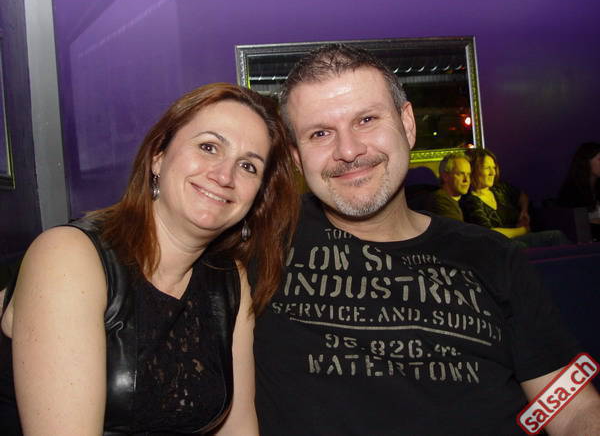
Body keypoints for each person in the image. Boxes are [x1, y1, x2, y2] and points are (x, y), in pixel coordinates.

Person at [253, 44, 600, 435]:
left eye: (366, 119)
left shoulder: (494, 255)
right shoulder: (259, 243)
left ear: (407, 124)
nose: (348, 151)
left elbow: (571, 407)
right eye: (320, 133)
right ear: (296, 157)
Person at [0, 83, 299, 435]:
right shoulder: (69, 257)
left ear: (258, 196)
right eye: (208, 147)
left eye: (248, 166)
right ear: (158, 156)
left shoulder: (230, 281)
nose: (224, 176)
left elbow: (237, 427)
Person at [460, 148, 567, 248]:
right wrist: (523, 230)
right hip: (501, 245)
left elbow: (522, 196)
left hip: (519, 241)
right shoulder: (471, 201)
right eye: (487, 168)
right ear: (473, 169)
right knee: (554, 236)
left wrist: (524, 211)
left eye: (494, 167)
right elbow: (489, 233)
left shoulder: (500, 189)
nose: (493, 173)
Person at [557, 142, 600, 240]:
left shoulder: (597, 186)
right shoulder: (572, 190)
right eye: (599, 159)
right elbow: (576, 224)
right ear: (586, 162)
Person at [425, 153, 471, 220]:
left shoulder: (465, 200)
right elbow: (456, 226)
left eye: (468, 174)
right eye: (460, 174)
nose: (466, 180)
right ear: (445, 176)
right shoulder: (440, 201)